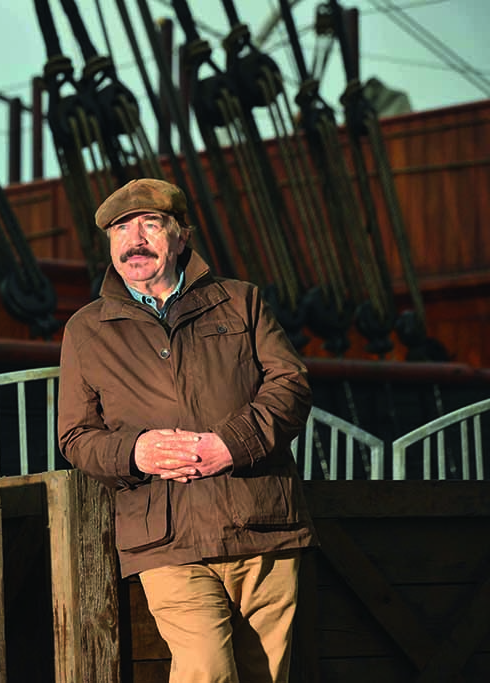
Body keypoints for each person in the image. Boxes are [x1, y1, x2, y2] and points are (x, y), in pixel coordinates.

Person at [57, 178, 317, 683]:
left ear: (180, 237)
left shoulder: (240, 301)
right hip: (167, 538)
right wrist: (137, 452)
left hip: (261, 522)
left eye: (150, 225)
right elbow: (75, 436)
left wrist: (231, 445)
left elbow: (292, 386)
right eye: (120, 229)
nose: (134, 239)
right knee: (206, 672)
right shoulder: (86, 329)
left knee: (267, 676)